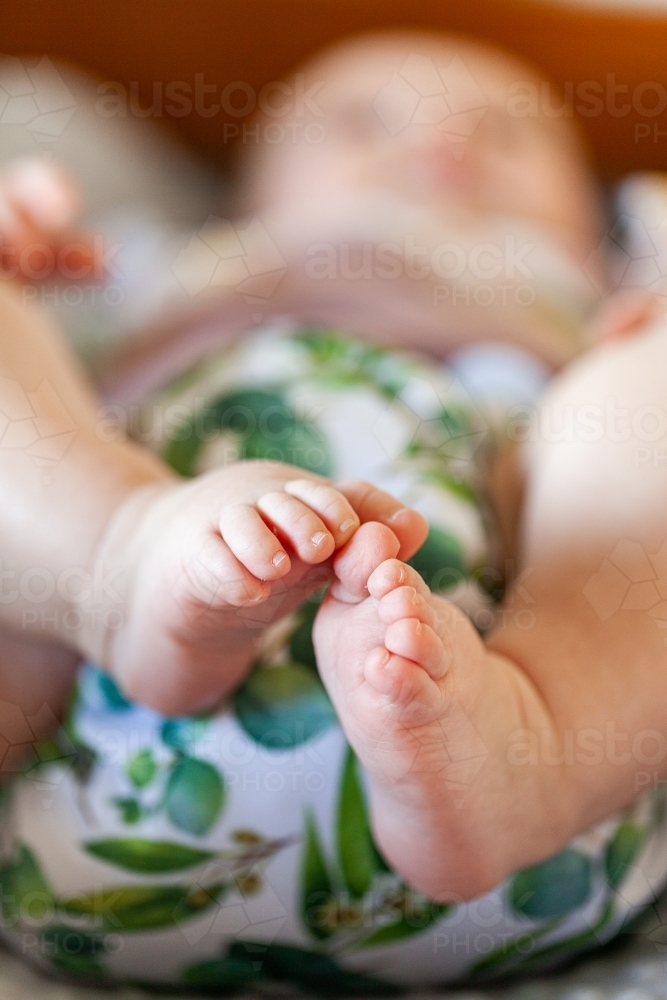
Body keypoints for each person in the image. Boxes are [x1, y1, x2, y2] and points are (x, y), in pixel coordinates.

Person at [0, 31, 666, 990]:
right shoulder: (158, 269)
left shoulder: (596, 291)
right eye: (362, 122)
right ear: (246, 195)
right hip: (71, 697)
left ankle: (539, 741)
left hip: (546, 783)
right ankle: (111, 558)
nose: (445, 143)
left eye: (507, 133)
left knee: (645, 400)